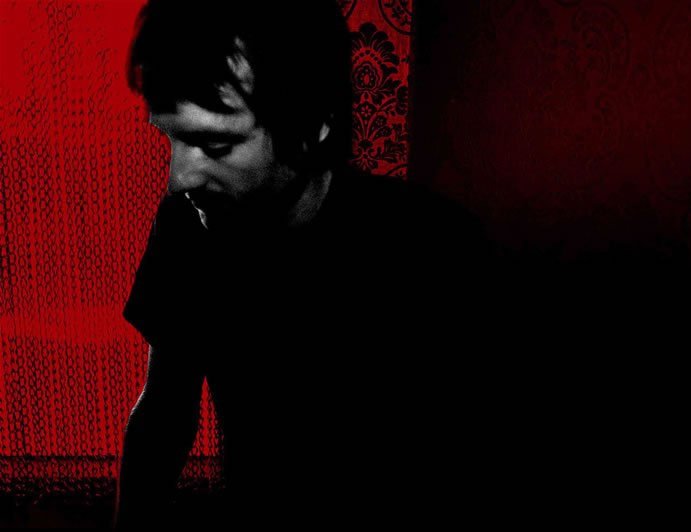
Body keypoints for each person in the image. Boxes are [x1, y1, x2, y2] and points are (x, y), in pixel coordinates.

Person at [114, 1, 495, 528]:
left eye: (216, 144)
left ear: (314, 124)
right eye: (171, 137)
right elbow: (165, 411)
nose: (179, 178)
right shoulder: (187, 226)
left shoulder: (437, 251)